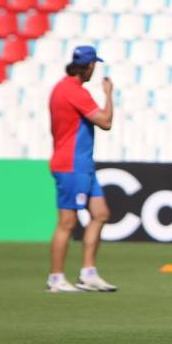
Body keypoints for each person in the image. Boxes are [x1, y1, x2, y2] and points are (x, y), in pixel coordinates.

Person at [45, 45, 117, 293]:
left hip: (81, 164)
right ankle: (56, 278)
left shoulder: (61, 88)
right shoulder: (74, 91)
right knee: (67, 222)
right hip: (71, 164)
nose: (94, 70)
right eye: (93, 65)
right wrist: (108, 94)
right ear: (88, 66)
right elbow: (105, 122)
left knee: (101, 213)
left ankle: (88, 273)